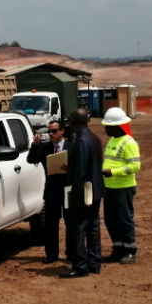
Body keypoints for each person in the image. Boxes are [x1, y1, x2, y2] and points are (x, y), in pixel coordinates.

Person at [60, 109, 105, 278]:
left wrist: (75, 194)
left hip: (84, 191)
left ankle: (80, 266)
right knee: (93, 227)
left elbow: (80, 171)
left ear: (73, 122)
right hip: (96, 190)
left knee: (78, 228)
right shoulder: (94, 138)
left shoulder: (81, 141)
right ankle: (94, 263)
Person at [27, 120, 72, 263]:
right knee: (51, 224)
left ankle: (71, 252)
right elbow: (31, 159)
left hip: (68, 190)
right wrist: (35, 145)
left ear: (62, 131)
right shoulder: (45, 147)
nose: (51, 134)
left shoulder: (71, 147)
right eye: (49, 131)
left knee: (71, 222)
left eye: (54, 131)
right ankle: (52, 254)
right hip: (52, 191)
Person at [100, 107, 141, 264]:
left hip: (123, 188)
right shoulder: (112, 141)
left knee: (124, 219)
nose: (105, 128)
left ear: (116, 126)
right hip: (109, 188)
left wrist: (113, 172)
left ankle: (130, 251)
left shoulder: (129, 142)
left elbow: (135, 166)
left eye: (107, 126)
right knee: (111, 220)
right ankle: (118, 248)